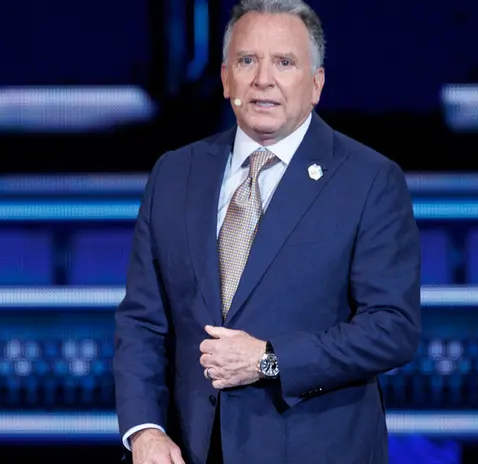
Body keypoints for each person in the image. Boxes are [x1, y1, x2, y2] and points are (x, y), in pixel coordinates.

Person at [113, 0, 421, 462]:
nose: (263, 80)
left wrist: (269, 360)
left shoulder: (369, 180)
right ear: (224, 78)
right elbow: (142, 320)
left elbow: (392, 329)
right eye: (247, 60)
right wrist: (145, 431)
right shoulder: (175, 173)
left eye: (284, 62)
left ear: (316, 83)